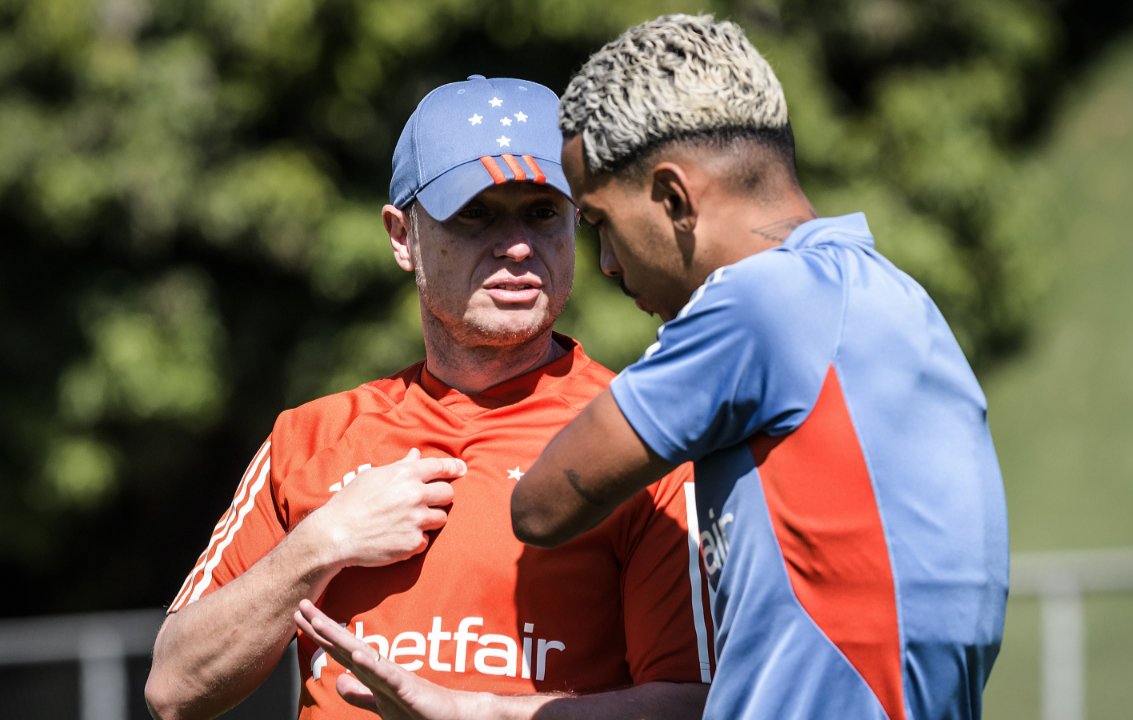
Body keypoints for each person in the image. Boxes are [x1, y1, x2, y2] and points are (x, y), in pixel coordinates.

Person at [145, 75, 712, 720]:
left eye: (543, 212)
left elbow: (693, 706)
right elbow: (173, 687)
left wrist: (469, 713)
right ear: (400, 235)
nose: (518, 244)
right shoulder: (310, 436)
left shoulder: (643, 439)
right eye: (475, 213)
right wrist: (321, 543)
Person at [510, 14, 1009, 720]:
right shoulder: (894, 296)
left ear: (672, 197)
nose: (609, 265)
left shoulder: (758, 302)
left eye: (599, 224)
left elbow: (541, 505)